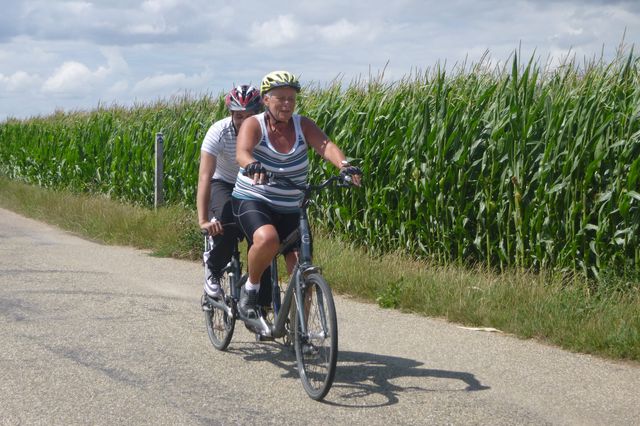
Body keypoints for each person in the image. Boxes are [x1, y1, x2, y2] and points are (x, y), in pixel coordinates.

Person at [232, 70, 361, 318]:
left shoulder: (303, 125)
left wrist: (344, 166)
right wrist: (252, 165)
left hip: (291, 205)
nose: (287, 104)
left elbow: (325, 146)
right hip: (254, 199)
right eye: (280, 98)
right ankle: (252, 287)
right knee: (268, 239)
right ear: (266, 100)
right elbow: (242, 152)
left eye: (291, 98)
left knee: (303, 267)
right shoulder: (254, 123)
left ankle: (300, 332)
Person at [197, 84, 262, 305]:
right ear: (231, 114)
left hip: (252, 185)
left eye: (250, 115)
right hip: (223, 182)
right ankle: (213, 268)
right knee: (226, 223)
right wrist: (204, 219)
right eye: (239, 116)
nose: (244, 121)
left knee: (263, 235)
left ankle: (261, 303)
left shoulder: (265, 131)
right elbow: (205, 176)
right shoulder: (218, 131)